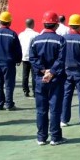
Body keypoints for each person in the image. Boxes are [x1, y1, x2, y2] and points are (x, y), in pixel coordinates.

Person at [30, 11, 67, 146]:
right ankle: (55, 137)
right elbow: (61, 59)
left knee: (41, 109)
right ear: (56, 25)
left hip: (40, 79)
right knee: (55, 109)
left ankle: (41, 137)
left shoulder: (35, 40)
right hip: (55, 79)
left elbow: (32, 59)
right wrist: (51, 72)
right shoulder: (60, 40)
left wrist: (43, 70)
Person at [0, 11, 22, 111]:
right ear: (9, 23)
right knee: (9, 84)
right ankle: (9, 104)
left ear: (0, 22)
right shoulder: (12, 34)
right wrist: (18, 59)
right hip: (8, 63)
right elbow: (17, 49)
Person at [18, 18, 38, 97]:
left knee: (25, 74)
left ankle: (25, 90)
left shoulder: (21, 34)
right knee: (34, 75)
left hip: (24, 56)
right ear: (33, 24)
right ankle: (34, 90)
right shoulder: (36, 34)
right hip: (33, 57)